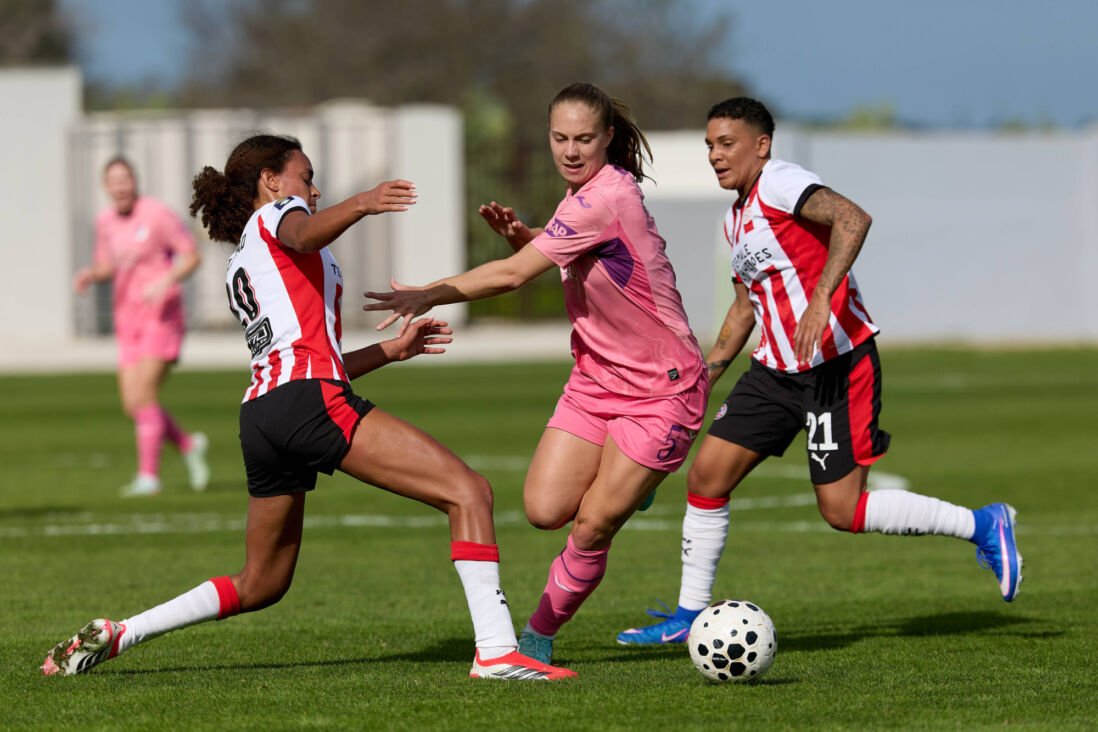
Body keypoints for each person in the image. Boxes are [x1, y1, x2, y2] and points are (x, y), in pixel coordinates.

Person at [42, 134, 574, 681]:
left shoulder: (243, 258)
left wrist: (391, 350)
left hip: (264, 414)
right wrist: (363, 202)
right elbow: (302, 231)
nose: (313, 190)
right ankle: (496, 653)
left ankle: (122, 633)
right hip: (307, 402)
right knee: (469, 491)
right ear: (271, 181)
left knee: (262, 583)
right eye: (305, 176)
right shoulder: (279, 216)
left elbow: (308, 354)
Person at [616, 97, 1023, 647]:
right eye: (710, 145)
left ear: (762, 146)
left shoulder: (782, 182)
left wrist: (822, 295)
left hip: (836, 365)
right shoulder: (734, 219)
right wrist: (705, 374)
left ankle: (983, 525)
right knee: (706, 477)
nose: (715, 155)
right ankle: (690, 615)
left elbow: (853, 218)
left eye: (727, 143)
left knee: (843, 510)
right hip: (774, 372)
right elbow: (744, 310)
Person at [364, 82, 709, 670]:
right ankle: (635, 483)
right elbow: (570, 264)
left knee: (593, 523)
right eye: (559, 138)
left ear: (607, 139)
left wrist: (431, 293)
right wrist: (530, 241)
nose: (570, 150)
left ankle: (538, 635)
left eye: (583, 139)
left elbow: (510, 278)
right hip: (596, 381)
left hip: (662, 389)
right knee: (545, 510)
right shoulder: (580, 198)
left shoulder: (605, 197)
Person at [73, 157, 210, 497]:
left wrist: (167, 279)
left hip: (162, 317)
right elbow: (109, 264)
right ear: (106, 187)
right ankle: (187, 444)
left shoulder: (157, 215)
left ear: (135, 181)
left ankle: (149, 478)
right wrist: (92, 273)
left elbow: (191, 256)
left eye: (125, 179)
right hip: (128, 321)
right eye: (113, 181)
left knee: (145, 395)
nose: (120, 186)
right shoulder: (105, 221)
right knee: (132, 404)